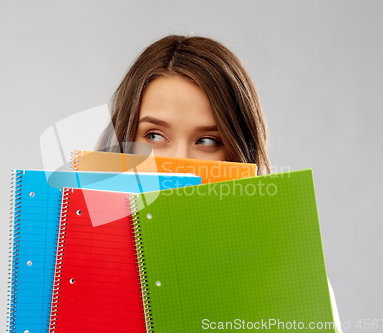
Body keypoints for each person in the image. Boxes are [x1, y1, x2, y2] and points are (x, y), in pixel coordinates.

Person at [97, 34, 342, 332]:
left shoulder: (296, 283)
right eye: (154, 136)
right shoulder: (66, 265)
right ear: (123, 141)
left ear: (236, 155)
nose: (180, 164)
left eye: (207, 141)